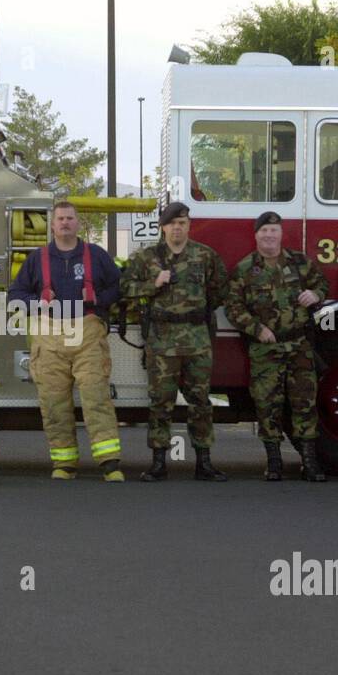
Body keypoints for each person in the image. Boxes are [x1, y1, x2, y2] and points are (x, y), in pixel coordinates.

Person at [9, 200, 124, 482]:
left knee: (96, 396)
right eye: (60, 219)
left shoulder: (96, 255)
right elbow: (15, 295)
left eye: (70, 218)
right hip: (49, 334)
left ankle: (110, 464)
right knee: (53, 402)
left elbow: (120, 287)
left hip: (87, 330)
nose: (65, 223)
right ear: (52, 224)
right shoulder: (37, 259)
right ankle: (64, 463)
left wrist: (98, 299)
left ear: (78, 223)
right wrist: (38, 302)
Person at [120, 201, 229, 482]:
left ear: (189, 225)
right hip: (162, 339)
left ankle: (204, 462)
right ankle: (158, 463)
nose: (177, 228)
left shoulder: (205, 256)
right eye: (172, 223)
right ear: (163, 226)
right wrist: (152, 284)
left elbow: (220, 289)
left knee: (201, 402)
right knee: (160, 402)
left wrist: (197, 311)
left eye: (182, 222)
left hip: (196, 338)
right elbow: (125, 288)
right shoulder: (147, 258)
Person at [226, 210, 329, 482]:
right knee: (267, 406)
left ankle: (310, 462)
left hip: (299, 346)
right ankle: (274, 462)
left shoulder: (299, 262)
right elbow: (233, 308)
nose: (269, 235)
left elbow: (322, 284)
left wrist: (316, 294)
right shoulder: (245, 269)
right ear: (256, 235)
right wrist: (257, 328)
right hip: (265, 350)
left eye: (274, 231)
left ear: (281, 234)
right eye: (264, 231)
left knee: (304, 404)